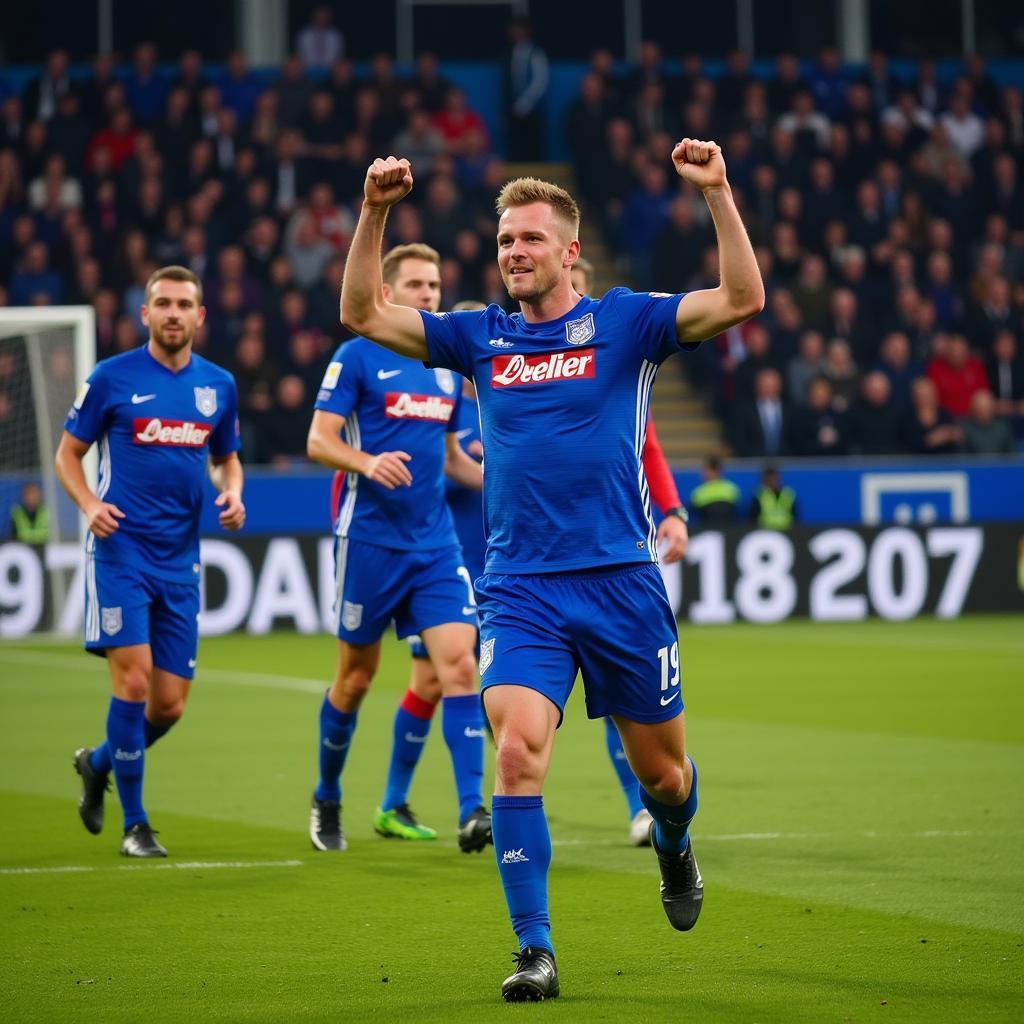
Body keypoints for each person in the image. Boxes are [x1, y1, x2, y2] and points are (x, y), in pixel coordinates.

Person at [339, 139, 764, 1001]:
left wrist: (717, 192)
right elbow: (363, 314)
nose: (514, 254)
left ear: (570, 250)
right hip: (520, 589)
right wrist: (374, 211)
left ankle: (676, 843)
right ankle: (535, 950)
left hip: (621, 583)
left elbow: (744, 298)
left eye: (530, 239)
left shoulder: (628, 323)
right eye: (504, 243)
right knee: (519, 755)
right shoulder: (478, 338)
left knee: (664, 777)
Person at [55, 266, 245, 858]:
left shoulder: (219, 385)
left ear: (199, 316)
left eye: (183, 304)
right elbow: (68, 454)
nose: (172, 313)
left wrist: (233, 492)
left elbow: (228, 459)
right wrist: (88, 504)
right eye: (162, 303)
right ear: (145, 314)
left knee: (169, 705)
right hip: (121, 553)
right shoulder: (111, 378)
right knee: (133, 683)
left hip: (180, 561)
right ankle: (135, 824)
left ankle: (99, 763)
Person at [305, 243, 488, 855]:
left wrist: (504, 481)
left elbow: (452, 458)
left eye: (435, 285)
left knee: (460, 667)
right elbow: (319, 440)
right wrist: (366, 461)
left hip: (434, 544)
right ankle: (328, 795)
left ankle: (472, 812)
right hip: (369, 543)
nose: (430, 295)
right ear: (386, 292)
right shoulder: (356, 356)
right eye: (416, 285)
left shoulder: (442, 367)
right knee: (355, 680)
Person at [572, 253, 691, 847]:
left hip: (611, 555)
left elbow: (645, 442)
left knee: (624, 701)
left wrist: (670, 509)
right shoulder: (508, 356)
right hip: (505, 546)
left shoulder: (616, 352)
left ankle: (640, 808)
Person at [689, 456, 740, 525]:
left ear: (714, 471)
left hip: (708, 531)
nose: (703, 473)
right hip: (727, 530)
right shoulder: (732, 488)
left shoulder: (699, 492)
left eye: (705, 470)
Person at [750, 464, 797, 530]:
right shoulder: (759, 495)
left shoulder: (788, 495)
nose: (772, 481)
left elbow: (795, 517)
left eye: (774, 478)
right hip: (765, 532)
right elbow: (752, 518)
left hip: (787, 531)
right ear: (764, 480)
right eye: (769, 478)